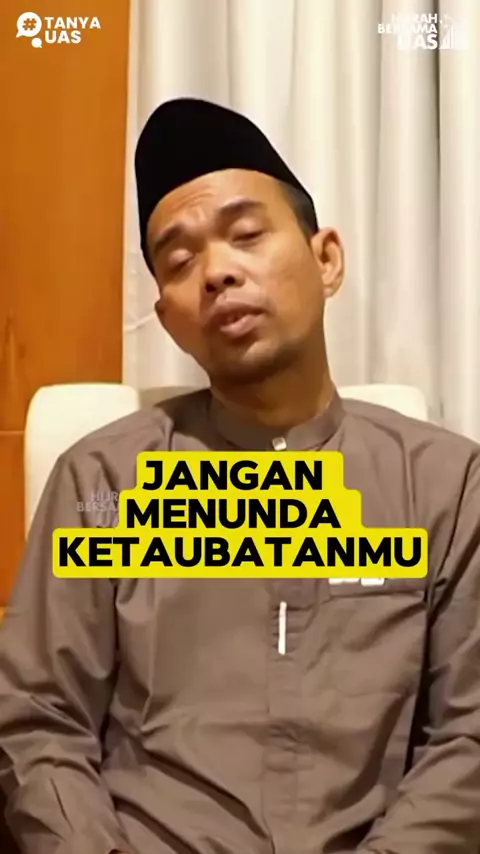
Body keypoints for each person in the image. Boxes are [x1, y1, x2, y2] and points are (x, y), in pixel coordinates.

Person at [0, 97, 479, 854]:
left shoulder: (446, 485)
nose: (218, 272)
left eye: (247, 235)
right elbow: (38, 722)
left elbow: (467, 736)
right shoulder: (102, 484)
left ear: (326, 259)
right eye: (180, 262)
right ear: (167, 317)